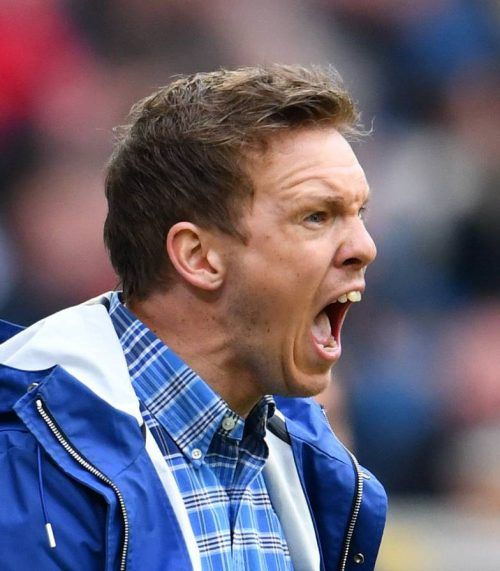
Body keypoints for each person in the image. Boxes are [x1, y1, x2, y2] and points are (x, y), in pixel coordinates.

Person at [0, 65, 386, 571]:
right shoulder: (27, 460)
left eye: (359, 214)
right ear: (199, 257)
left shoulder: (318, 470)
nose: (364, 247)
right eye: (316, 216)